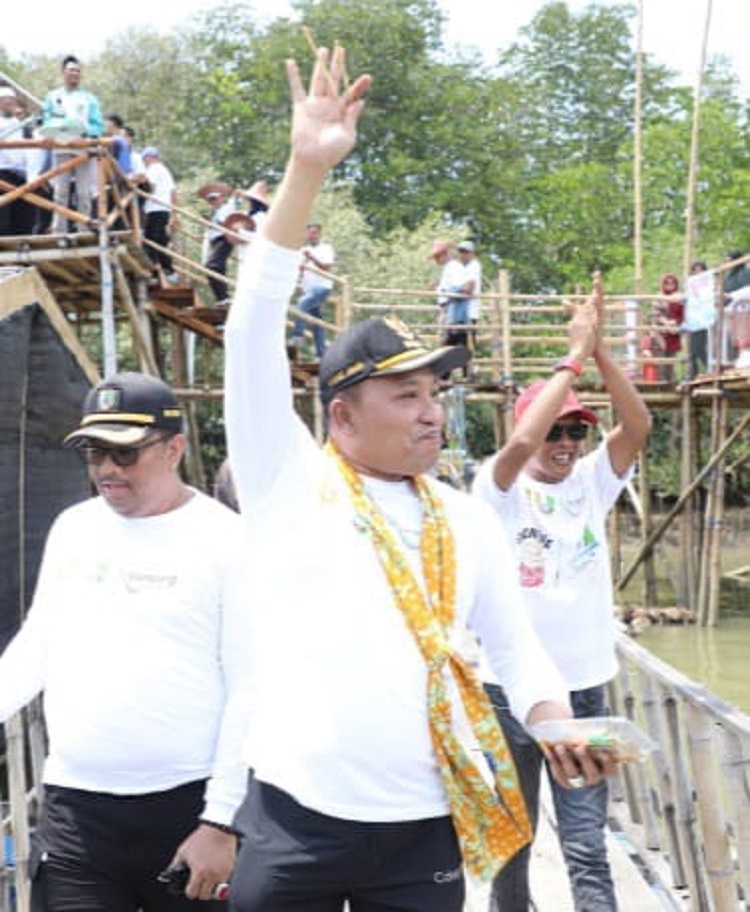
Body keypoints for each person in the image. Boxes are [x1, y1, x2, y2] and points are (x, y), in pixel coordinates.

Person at [223, 45, 613, 912]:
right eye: (405, 394)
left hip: (430, 823)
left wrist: (555, 726)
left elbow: (516, 648)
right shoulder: (287, 485)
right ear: (340, 415)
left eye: (436, 391)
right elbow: (249, 330)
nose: (432, 412)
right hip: (297, 822)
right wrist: (303, 172)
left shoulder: (464, 515)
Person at [0, 372, 245, 911]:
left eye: (125, 453)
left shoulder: (227, 540)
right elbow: (39, 642)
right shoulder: (74, 528)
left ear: (175, 448)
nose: (107, 468)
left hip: (188, 809)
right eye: (94, 452)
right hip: (77, 812)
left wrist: (222, 820)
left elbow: (250, 688)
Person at [472, 281, 652, 912]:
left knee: (585, 843)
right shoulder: (496, 489)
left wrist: (599, 351)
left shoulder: (591, 482)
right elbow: (519, 445)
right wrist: (569, 361)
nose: (567, 444)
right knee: (513, 843)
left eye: (577, 431)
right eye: (557, 430)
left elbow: (639, 423)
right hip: (506, 692)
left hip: (581, 692)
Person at [40, 55, 103, 234]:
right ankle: (59, 229)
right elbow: (47, 120)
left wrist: (87, 131)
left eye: (77, 71)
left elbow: (97, 124)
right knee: (61, 190)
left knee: (84, 192)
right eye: (71, 70)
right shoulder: (53, 96)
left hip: (83, 148)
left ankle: (84, 228)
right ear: (63, 72)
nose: (74, 74)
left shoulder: (89, 98)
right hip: (62, 147)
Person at [289, 221, 335, 358]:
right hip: (308, 288)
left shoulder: (326, 248)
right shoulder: (302, 250)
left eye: (315, 233)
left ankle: (297, 337)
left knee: (302, 303)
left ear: (319, 234)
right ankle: (321, 353)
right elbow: (299, 270)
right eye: (309, 233)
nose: (312, 235)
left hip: (322, 287)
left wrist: (311, 258)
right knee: (317, 322)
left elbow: (326, 267)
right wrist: (300, 268)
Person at [0, 85, 35, 235]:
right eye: (5, 101)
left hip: (22, 173)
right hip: (3, 172)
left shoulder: (22, 124)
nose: (9, 103)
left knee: (24, 215)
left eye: (11, 101)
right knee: (4, 216)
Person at [142, 146, 179, 284]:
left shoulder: (154, 169)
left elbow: (150, 187)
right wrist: (174, 213)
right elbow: (173, 193)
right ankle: (168, 270)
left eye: (144, 159)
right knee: (160, 240)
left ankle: (157, 272)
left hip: (155, 209)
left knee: (151, 240)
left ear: (149, 157)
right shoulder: (164, 170)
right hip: (163, 209)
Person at [199, 182, 236, 306]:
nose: (213, 201)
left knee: (212, 266)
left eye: (215, 198)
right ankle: (222, 298)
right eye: (211, 200)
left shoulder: (227, 207)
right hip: (215, 240)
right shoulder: (215, 211)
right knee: (217, 268)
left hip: (223, 238)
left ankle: (223, 297)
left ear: (222, 198)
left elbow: (226, 223)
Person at [684, 259, 715, 377]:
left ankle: (710, 368)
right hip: (694, 319)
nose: (698, 272)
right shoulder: (691, 283)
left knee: (699, 347)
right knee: (692, 348)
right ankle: (693, 372)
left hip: (705, 318)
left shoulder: (709, 282)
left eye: (700, 269)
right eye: (695, 270)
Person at [429, 239, 465, 333]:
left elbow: (457, 287)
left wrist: (440, 289)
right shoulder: (449, 268)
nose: (436, 260)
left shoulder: (454, 267)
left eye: (437, 257)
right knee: (445, 334)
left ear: (445, 254)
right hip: (447, 306)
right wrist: (438, 288)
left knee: (450, 335)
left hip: (451, 306)